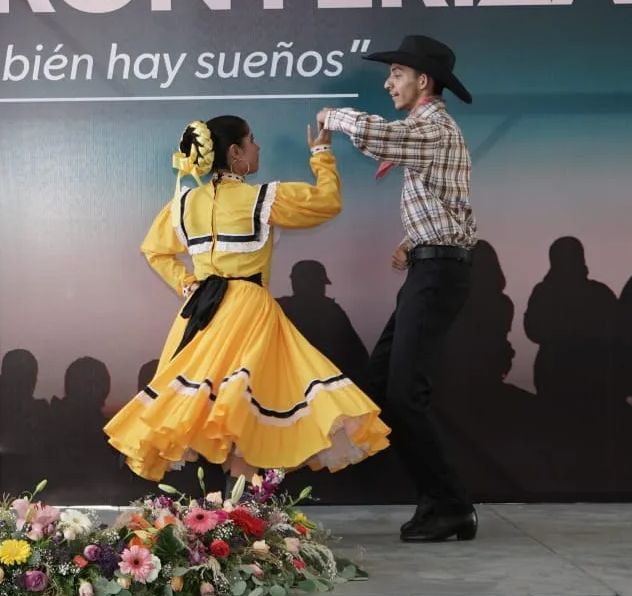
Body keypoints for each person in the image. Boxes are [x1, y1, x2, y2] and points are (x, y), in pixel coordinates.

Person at [104, 116, 391, 484]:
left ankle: (228, 510)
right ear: (235, 152)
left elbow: (155, 251)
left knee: (213, 407)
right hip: (248, 313)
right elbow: (327, 201)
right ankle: (239, 509)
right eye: (251, 140)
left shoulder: (184, 203)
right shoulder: (260, 199)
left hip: (202, 315)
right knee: (243, 412)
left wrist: (188, 284)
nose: (258, 147)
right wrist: (321, 153)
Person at [317, 34, 479, 543]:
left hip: (438, 274)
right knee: (386, 381)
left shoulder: (432, 127)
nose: (388, 83)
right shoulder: (431, 131)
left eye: (396, 74)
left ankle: (450, 506)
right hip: (431, 269)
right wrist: (415, 242)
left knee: (404, 393)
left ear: (422, 81)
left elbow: (378, 137)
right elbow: (454, 206)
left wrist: (333, 116)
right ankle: (437, 501)